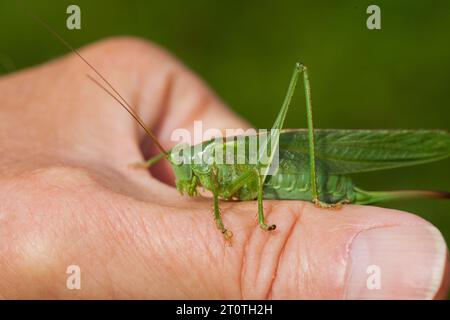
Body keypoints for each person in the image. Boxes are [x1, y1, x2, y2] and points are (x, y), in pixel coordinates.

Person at [0, 37, 448, 299]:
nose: (180, 173)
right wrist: (147, 162)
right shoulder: (190, 159)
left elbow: (247, 175)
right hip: (264, 163)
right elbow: (176, 156)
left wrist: (240, 218)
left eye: (178, 165)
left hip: (287, 170)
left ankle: (317, 191)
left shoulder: (210, 167)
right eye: (170, 162)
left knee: (292, 89)